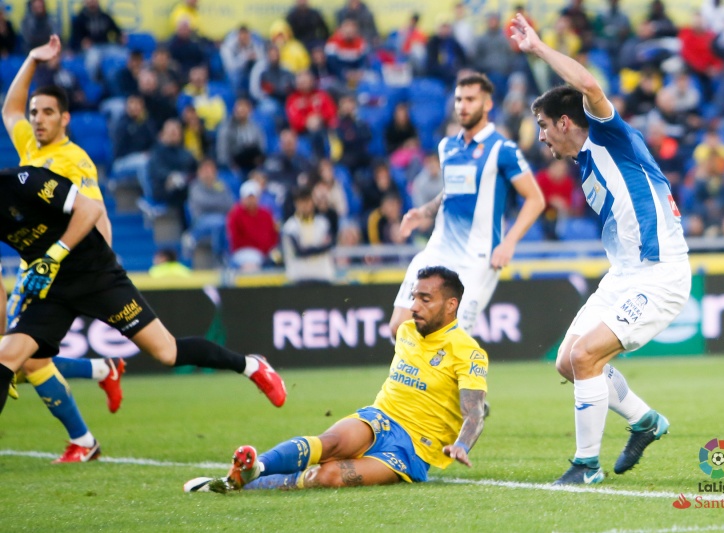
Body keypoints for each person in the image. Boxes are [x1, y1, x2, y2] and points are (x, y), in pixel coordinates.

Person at [510, 14, 691, 485]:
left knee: (587, 357)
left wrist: (539, 50)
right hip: (623, 275)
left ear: (566, 121)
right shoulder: (585, 164)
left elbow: (588, 83)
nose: (542, 137)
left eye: (544, 126)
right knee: (567, 362)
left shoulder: (611, 136)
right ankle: (645, 421)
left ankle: (585, 466)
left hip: (660, 274)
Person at [0, 165, 288, 420]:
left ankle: (250, 365)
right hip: (52, 290)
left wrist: (53, 255)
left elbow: (91, 210)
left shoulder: (25, 180)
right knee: (6, 358)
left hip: (98, 278)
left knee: (168, 352)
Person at [184, 266, 487, 493]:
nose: (415, 306)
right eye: (414, 298)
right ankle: (256, 467)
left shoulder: (468, 352)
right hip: (380, 418)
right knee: (329, 444)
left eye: (425, 299)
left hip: (412, 450)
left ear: (451, 305)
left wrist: (462, 444)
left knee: (327, 476)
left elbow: (475, 413)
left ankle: (245, 485)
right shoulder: (406, 330)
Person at [1, 35, 123, 462]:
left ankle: (84, 440)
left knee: (19, 357)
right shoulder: (31, 148)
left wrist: (100, 268)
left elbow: (96, 214)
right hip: (31, 267)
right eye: (35, 113)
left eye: (46, 112)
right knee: (20, 356)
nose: (35, 119)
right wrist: (32, 59)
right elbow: (8, 109)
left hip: (59, 271)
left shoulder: (75, 160)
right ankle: (99, 375)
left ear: (65, 119)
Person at [389, 73, 545, 338]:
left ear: (487, 104)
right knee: (400, 328)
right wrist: (423, 211)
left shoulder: (502, 149)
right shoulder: (446, 146)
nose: (463, 105)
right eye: (459, 99)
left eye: (471, 99)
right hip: (438, 248)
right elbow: (451, 192)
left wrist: (508, 243)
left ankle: (460, 380)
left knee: (451, 339)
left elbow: (535, 199)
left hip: (478, 259)